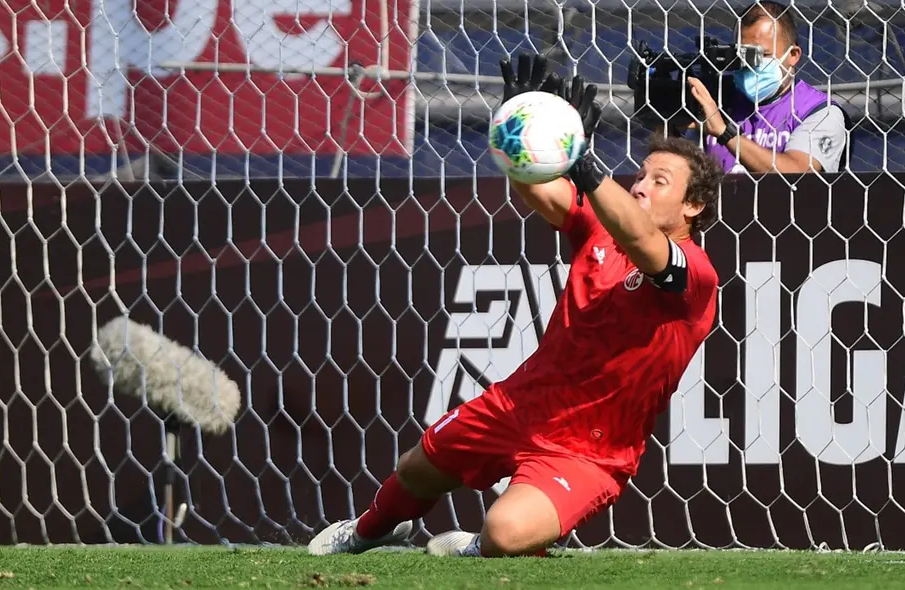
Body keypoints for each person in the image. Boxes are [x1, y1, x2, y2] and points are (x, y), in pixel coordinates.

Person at [308, 53, 723, 558]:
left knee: (504, 533)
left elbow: (640, 239)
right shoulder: (601, 231)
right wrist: (519, 131)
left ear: (692, 206)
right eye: (640, 174)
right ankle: (370, 530)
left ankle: (482, 545)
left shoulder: (695, 276)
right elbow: (541, 190)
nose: (639, 184)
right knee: (416, 468)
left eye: (659, 182)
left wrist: (585, 164)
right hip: (522, 403)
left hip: (590, 449)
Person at [684, 1, 850, 175]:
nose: (752, 63)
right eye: (745, 54)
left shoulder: (819, 111)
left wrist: (725, 133)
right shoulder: (719, 98)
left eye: (763, 54)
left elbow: (797, 173)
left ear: (793, 55)